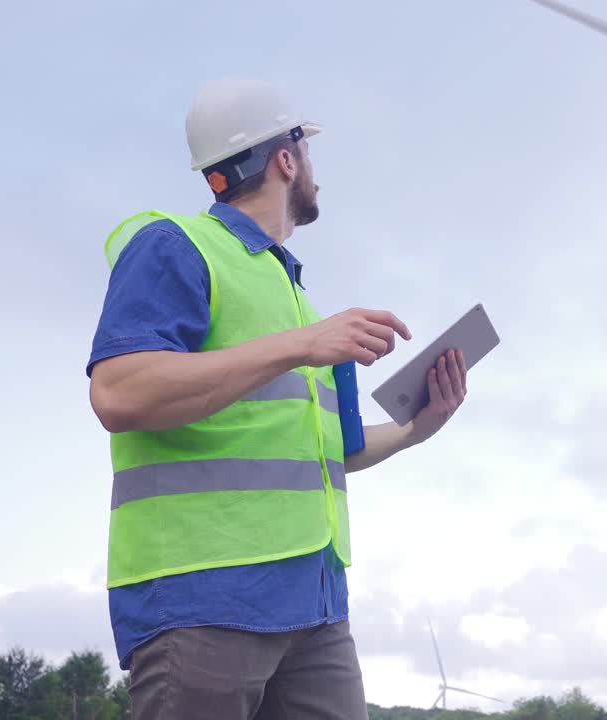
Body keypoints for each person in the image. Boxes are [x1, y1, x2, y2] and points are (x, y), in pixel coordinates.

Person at [86, 76, 468, 719]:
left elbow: (329, 454)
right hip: (204, 597)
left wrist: (415, 429)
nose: (315, 170)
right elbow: (118, 393)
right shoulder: (177, 246)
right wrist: (301, 344)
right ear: (286, 159)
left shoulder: (302, 304)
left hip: (316, 604)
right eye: (308, 153)